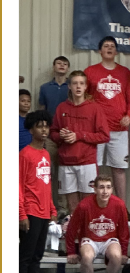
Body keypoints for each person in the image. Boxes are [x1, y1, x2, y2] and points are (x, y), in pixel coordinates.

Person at [18, 110, 61, 273]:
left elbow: (47, 184)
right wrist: (21, 214)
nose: (44, 129)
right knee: (24, 258)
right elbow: (18, 186)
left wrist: (52, 208)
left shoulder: (45, 153)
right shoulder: (24, 154)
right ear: (31, 129)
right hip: (30, 212)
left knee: (36, 258)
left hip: (44, 213)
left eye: (46, 125)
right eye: (39, 126)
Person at [50, 71, 110, 214]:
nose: (78, 87)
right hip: (66, 162)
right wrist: (61, 136)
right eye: (75, 83)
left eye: (81, 83)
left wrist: (79, 136)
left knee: (87, 203)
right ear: (69, 86)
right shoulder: (61, 108)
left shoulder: (94, 108)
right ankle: (75, 233)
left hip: (86, 162)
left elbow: (104, 136)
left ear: (85, 87)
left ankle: (87, 234)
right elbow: (52, 133)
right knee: (72, 205)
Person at [65, 174, 129, 273]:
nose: (105, 191)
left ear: (112, 189)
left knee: (116, 257)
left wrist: (124, 251)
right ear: (94, 189)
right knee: (87, 257)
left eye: (108, 187)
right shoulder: (84, 205)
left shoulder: (119, 204)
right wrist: (71, 251)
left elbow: (123, 230)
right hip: (90, 239)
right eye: (101, 187)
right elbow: (72, 229)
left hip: (110, 239)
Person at [85, 37, 130, 200]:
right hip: (96, 129)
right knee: (93, 168)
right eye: (106, 46)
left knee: (119, 168)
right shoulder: (90, 72)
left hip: (119, 130)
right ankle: (92, 204)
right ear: (99, 51)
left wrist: (129, 116)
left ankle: (120, 206)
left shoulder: (125, 72)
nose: (109, 48)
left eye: (112, 46)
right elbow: (84, 98)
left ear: (116, 51)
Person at [38, 56, 71, 211]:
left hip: (67, 136)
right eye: (59, 63)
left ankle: (64, 208)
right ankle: (48, 205)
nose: (62, 66)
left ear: (68, 68)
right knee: (48, 172)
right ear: (54, 67)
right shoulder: (45, 88)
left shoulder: (72, 87)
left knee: (65, 173)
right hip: (50, 136)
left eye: (65, 64)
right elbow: (41, 111)